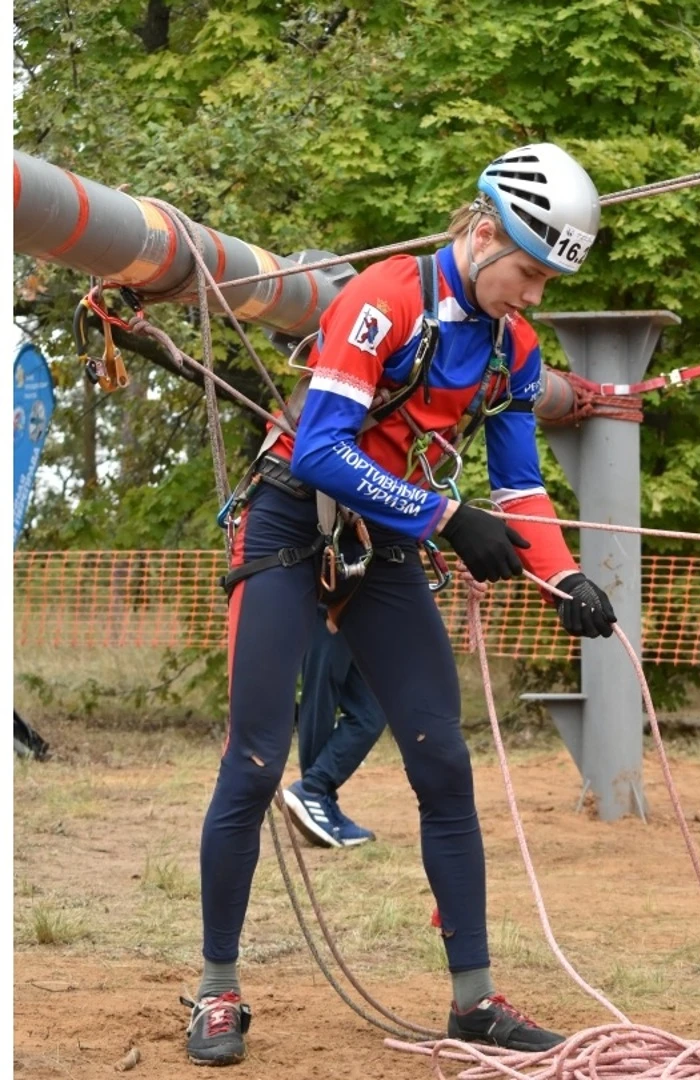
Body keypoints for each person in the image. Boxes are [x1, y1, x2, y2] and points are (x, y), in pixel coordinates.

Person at [186, 143, 620, 1067]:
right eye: (529, 273)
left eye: (547, 281)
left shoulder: (513, 346)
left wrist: (564, 578)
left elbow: (521, 488)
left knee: (442, 759)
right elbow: (319, 451)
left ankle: (474, 1001)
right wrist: (444, 514)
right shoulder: (384, 297)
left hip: (384, 541)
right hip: (289, 527)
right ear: (478, 230)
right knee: (258, 760)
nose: (535, 295)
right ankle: (218, 991)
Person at [281, 605, 386, 848]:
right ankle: (314, 793)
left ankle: (315, 789)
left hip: (360, 606)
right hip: (330, 600)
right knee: (320, 702)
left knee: (372, 712)